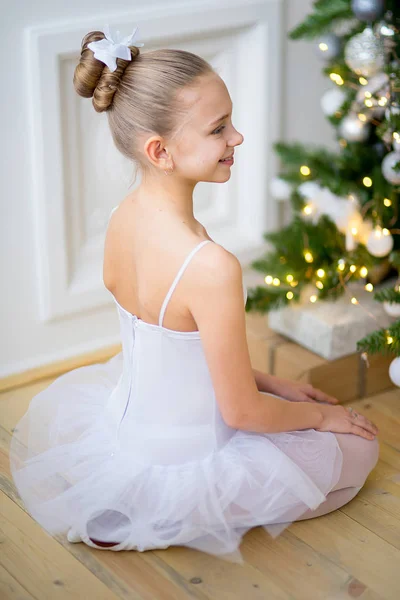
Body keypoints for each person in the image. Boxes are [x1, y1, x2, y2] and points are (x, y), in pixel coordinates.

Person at [9, 25, 379, 565]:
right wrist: (323, 421)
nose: (238, 138)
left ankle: (135, 497)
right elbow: (242, 413)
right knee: (360, 451)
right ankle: (178, 511)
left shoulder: (120, 219)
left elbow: (182, 357)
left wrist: (278, 384)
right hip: (191, 450)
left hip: (126, 425)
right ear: (160, 151)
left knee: (307, 424)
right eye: (218, 128)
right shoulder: (210, 267)